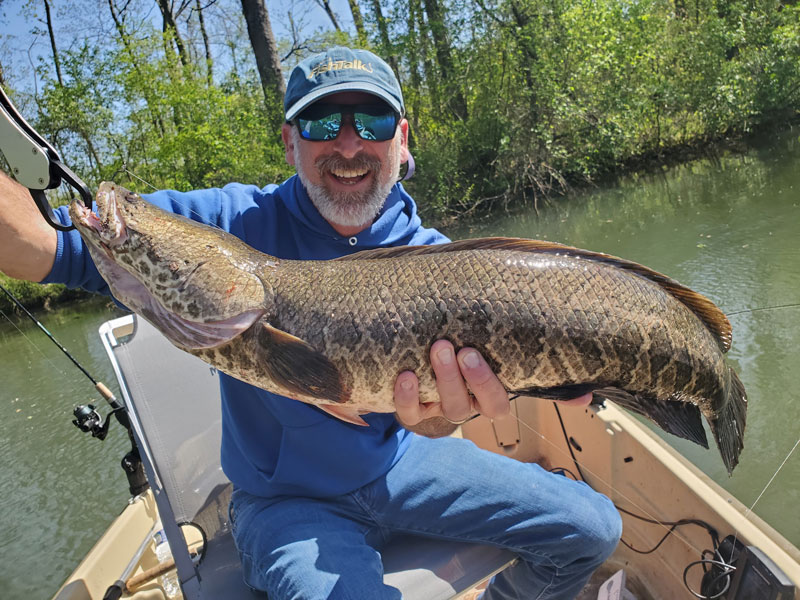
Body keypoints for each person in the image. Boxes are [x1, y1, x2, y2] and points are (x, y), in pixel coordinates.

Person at [0, 47, 621, 599]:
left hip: (401, 468)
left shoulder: (435, 258)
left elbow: (434, 423)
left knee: (592, 531)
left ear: (401, 139)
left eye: (371, 122)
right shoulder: (229, 222)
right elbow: (35, 246)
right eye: (323, 123)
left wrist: (443, 413)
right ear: (290, 141)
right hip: (284, 504)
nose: (348, 144)